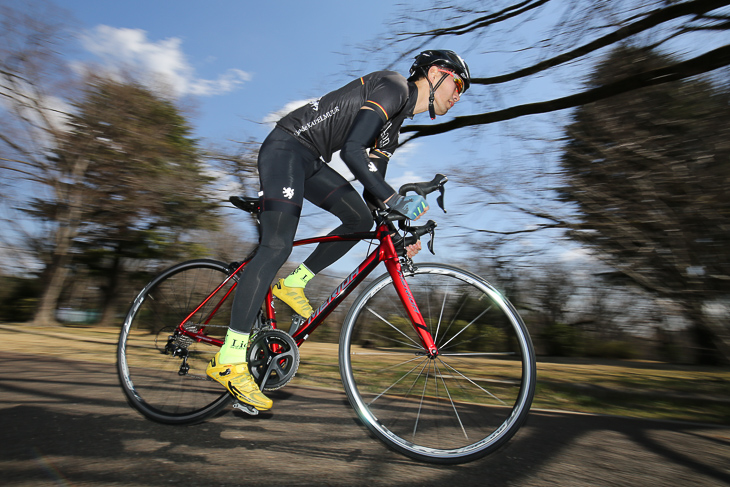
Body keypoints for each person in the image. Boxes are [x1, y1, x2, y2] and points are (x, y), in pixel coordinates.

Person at [206, 50, 470, 410]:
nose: (458, 96)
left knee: (360, 221)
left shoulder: (393, 125)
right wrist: (393, 199)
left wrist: (397, 234)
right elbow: (352, 151)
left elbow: (372, 184)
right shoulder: (394, 87)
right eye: (457, 85)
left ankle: (294, 282)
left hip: (311, 160)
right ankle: (230, 359)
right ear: (437, 73)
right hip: (286, 146)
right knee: (277, 247)